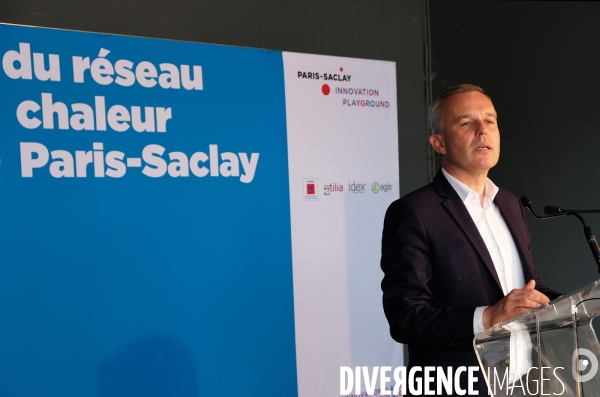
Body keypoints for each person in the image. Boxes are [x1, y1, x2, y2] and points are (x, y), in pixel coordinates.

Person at [380, 84, 561, 395]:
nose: (482, 131)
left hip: (524, 383)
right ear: (439, 143)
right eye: (466, 123)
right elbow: (405, 318)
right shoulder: (413, 213)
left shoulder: (510, 203)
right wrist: (488, 316)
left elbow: (523, 289)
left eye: (490, 121)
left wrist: (577, 303)